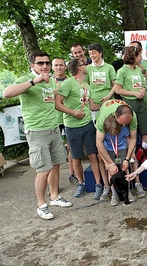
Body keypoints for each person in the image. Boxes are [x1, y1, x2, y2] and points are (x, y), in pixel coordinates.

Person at [3, 50, 72, 220]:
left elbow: (53, 101)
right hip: (36, 131)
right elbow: (7, 93)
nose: (45, 66)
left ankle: (54, 197)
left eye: (47, 63)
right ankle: (41, 205)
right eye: (40, 63)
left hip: (53, 128)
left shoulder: (50, 81)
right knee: (43, 169)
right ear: (32, 65)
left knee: (56, 164)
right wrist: (34, 81)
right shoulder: (27, 80)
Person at [55, 59, 104, 200]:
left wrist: (110, 104)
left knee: (93, 155)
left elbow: (93, 106)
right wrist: (73, 112)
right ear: (80, 68)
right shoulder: (68, 83)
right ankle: (81, 184)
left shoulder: (86, 84)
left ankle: (98, 184)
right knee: (76, 158)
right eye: (84, 65)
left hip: (88, 124)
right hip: (72, 126)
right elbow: (57, 104)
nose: (87, 66)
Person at [95, 99, 146, 199]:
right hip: (108, 140)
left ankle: (137, 185)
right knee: (101, 159)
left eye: (126, 124)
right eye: (122, 123)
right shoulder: (103, 119)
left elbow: (132, 138)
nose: (124, 126)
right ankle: (107, 187)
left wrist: (128, 158)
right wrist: (109, 164)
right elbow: (99, 143)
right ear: (115, 116)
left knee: (132, 156)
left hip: (121, 145)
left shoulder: (132, 117)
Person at [113, 46, 147, 155]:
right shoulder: (122, 71)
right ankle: (131, 154)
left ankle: (146, 153)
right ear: (132, 56)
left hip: (141, 102)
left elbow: (143, 85)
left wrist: (143, 90)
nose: (140, 58)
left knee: (145, 129)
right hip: (129, 103)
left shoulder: (139, 69)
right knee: (130, 131)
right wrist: (134, 93)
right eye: (139, 56)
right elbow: (117, 89)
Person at [52, 58, 76, 185]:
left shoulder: (71, 81)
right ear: (52, 67)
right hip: (54, 119)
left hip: (68, 118)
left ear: (65, 67)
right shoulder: (48, 81)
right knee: (54, 151)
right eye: (56, 65)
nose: (59, 67)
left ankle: (72, 174)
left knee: (70, 148)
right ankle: (53, 184)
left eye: (61, 65)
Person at [102, 117, 134, 205]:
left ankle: (128, 192)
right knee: (111, 171)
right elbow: (100, 145)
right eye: (111, 132)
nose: (113, 134)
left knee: (125, 168)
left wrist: (129, 153)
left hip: (122, 149)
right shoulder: (104, 132)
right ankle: (114, 193)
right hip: (110, 150)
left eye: (115, 132)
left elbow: (128, 139)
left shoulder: (123, 129)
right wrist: (106, 162)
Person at [86, 43, 116, 120]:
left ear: (100, 53)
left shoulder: (109, 67)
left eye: (94, 53)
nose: (92, 55)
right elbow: (85, 85)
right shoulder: (88, 68)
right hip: (93, 104)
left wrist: (108, 96)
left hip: (108, 102)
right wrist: (90, 100)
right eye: (90, 53)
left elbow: (115, 85)